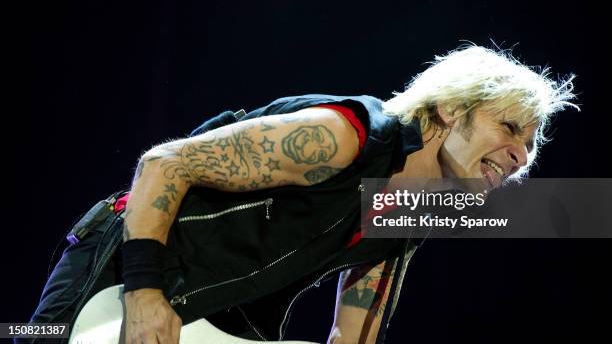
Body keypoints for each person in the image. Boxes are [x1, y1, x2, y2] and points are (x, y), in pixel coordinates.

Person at [23, 44, 578, 344]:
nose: (521, 156)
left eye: (530, 146)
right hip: (123, 271)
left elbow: (353, 333)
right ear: (452, 108)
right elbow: (164, 164)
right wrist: (145, 294)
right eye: (509, 129)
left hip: (223, 321)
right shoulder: (346, 137)